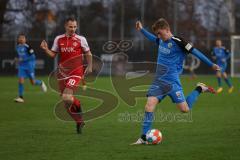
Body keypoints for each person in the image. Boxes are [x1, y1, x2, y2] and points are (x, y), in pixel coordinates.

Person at [132, 18, 220, 145]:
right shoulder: (160, 40)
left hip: (172, 82)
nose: (159, 36)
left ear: (167, 30)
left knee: (185, 109)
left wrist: (211, 64)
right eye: (157, 34)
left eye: (160, 33)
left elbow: (196, 53)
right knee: (149, 105)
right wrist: (141, 29)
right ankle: (144, 137)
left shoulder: (179, 42)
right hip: (159, 81)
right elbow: (152, 38)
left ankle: (200, 88)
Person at [40, 17, 92, 134]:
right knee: (66, 104)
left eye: (74, 26)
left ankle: (78, 105)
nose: (73, 29)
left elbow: (88, 53)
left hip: (76, 72)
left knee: (67, 97)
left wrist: (90, 66)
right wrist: (45, 49)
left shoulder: (81, 39)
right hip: (62, 73)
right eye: (70, 26)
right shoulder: (58, 39)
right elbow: (53, 54)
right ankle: (79, 121)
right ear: (65, 26)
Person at [14, 34, 47, 103]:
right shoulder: (17, 47)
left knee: (33, 82)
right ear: (18, 39)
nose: (21, 39)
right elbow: (20, 57)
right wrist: (17, 59)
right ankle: (21, 97)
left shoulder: (28, 47)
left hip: (29, 66)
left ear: (25, 40)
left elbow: (33, 57)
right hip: (22, 66)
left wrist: (23, 59)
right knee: (20, 80)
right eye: (20, 38)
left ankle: (41, 83)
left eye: (23, 38)